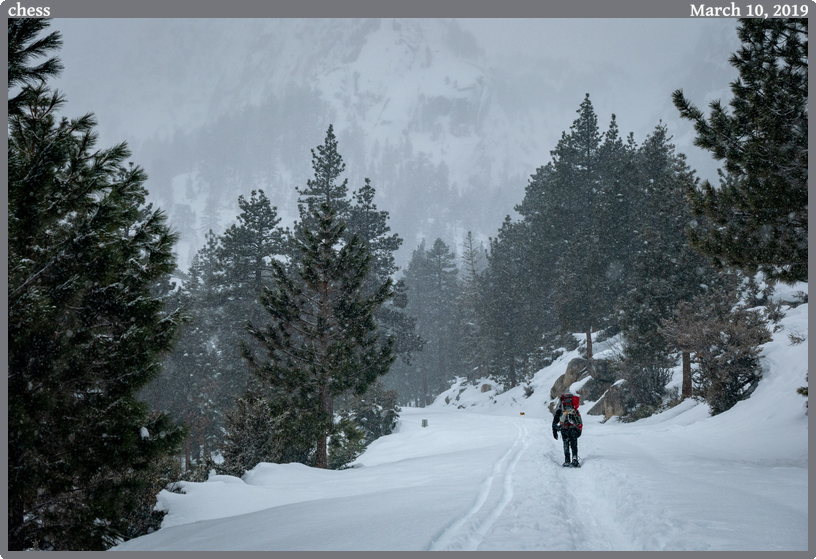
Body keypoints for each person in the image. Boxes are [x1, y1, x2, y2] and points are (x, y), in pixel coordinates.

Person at [552, 392, 583, 467]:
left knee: (566, 444)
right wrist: (579, 431)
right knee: (574, 444)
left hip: (564, 429)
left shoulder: (561, 410)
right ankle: (575, 459)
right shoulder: (574, 410)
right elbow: (579, 421)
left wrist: (555, 430)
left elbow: (555, 421)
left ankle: (567, 461)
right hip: (574, 429)